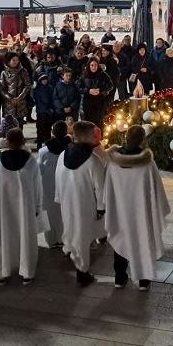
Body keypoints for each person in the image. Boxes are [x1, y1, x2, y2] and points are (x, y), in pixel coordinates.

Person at [105, 125, 170, 291]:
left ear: (125, 137)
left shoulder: (113, 161)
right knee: (142, 240)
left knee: (120, 236)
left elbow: (108, 186)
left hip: (119, 209)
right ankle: (143, 280)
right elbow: (156, 190)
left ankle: (119, 278)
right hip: (140, 211)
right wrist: (159, 208)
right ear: (143, 140)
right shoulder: (147, 164)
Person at [55, 121, 106, 286]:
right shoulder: (93, 161)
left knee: (70, 228)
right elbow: (100, 188)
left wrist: (59, 197)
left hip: (66, 201)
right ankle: (82, 271)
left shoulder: (63, 155)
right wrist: (101, 208)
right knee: (83, 236)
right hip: (85, 204)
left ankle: (69, 250)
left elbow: (57, 177)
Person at [0, 127, 43, 285]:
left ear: (7, 141)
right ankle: (26, 272)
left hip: (3, 209)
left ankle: (3, 272)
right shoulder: (31, 162)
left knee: (3, 238)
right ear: (23, 142)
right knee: (25, 237)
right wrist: (38, 207)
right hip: (25, 208)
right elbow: (37, 187)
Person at [38, 121, 70, 248]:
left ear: (52, 132)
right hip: (65, 186)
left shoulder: (43, 151)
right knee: (64, 213)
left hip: (48, 186)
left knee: (50, 214)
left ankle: (51, 240)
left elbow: (39, 170)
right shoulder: (70, 149)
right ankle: (64, 238)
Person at [79, 57, 115, 124]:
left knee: (99, 123)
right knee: (88, 123)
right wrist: (88, 91)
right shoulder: (84, 75)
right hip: (88, 103)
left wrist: (101, 91)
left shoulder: (103, 74)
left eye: (95, 65)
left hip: (99, 102)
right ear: (89, 66)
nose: (94, 67)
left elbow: (110, 85)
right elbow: (79, 87)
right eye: (92, 65)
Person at [0, 52, 32, 125]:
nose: (16, 62)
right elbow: (2, 88)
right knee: (10, 125)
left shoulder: (23, 71)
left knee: (20, 123)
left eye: (17, 60)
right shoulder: (4, 73)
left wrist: (20, 98)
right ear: (8, 61)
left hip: (21, 102)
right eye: (13, 60)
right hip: (9, 103)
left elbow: (27, 85)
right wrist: (10, 98)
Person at [33, 73, 56, 148]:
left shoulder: (50, 88)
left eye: (46, 79)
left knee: (48, 128)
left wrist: (51, 109)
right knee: (40, 129)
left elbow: (52, 99)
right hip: (41, 112)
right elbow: (38, 102)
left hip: (48, 112)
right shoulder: (37, 89)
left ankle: (48, 144)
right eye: (43, 80)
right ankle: (39, 144)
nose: (45, 81)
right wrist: (45, 109)